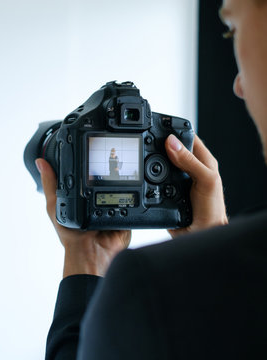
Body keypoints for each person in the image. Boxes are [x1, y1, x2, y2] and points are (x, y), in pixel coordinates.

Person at [36, 0, 267, 358]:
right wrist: (215, 249)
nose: (238, 84)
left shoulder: (146, 288)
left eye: (233, 29)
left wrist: (87, 263)